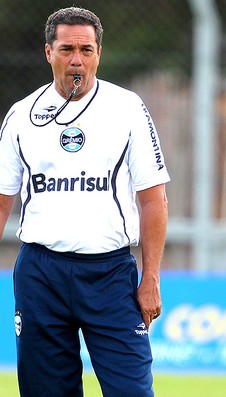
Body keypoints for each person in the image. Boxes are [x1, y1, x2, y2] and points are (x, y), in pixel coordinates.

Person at [0, 6, 170, 397]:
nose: (76, 59)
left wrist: (151, 277)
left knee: (132, 391)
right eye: (66, 49)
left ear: (98, 53)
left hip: (111, 274)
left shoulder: (127, 108)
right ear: (48, 52)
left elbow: (154, 198)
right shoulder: (21, 115)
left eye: (86, 49)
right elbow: (2, 201)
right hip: (41, 273)